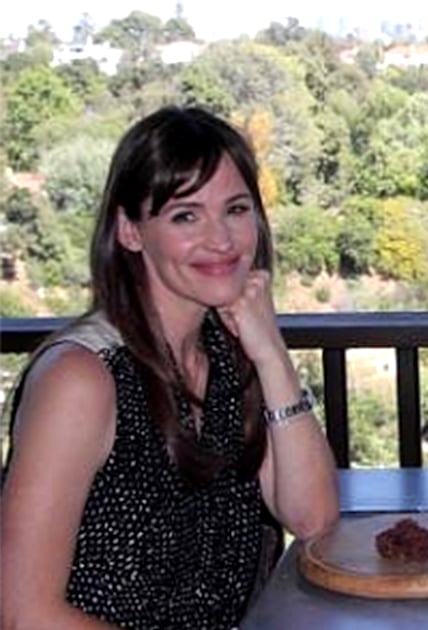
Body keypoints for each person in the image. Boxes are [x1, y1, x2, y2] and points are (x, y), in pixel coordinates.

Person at [1, 106, 340, 629]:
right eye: (186, 216)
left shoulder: (226, 352)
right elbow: (24, 613)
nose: (222, 240)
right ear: (131, 231)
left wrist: (271, 355)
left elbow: (312, 517)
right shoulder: (83, 378)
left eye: (236, 208)